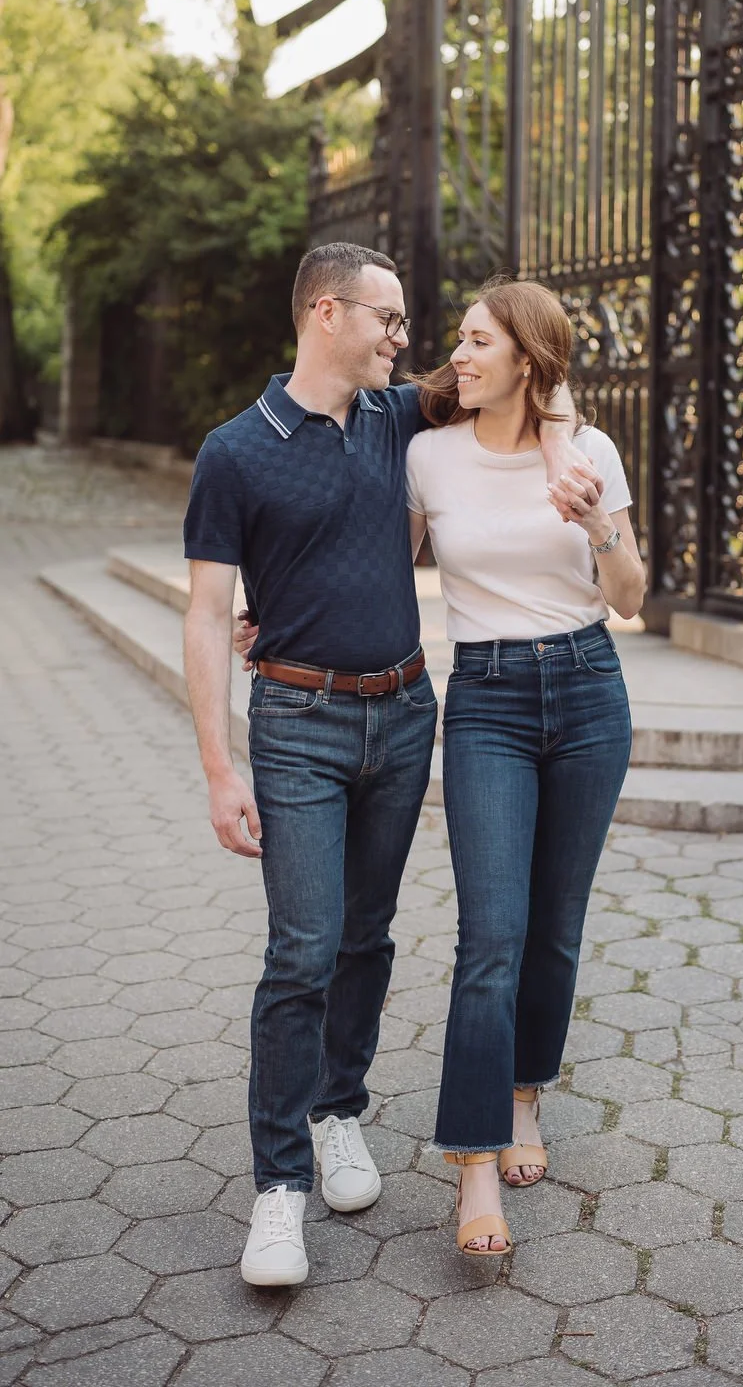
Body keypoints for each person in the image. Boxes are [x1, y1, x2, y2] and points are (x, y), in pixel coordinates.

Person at [183, 243, 595, 1288]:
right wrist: (217, 769)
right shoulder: (234, 450)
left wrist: (561, 464)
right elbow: (201, 613)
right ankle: (278, 1189)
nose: (407, 339)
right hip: (296, 721)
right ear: (328, 314)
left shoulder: (396, 418)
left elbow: (530, 371)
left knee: (367, 936)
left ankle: (337, 1112)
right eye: (389, 319)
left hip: (406, 712)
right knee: (302, 950)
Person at [405, 278, 645, 1255]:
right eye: (457, 341)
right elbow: (382, 567)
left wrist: (598, 522)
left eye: (475, 343)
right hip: (489, 698)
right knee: (491, 934)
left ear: (526, 360)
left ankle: (523, 1097)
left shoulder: (590, 453)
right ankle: (471, 1163)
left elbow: (629, 594)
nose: (458, 357)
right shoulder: (426, 455)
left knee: (555, 930)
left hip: (590, 688)